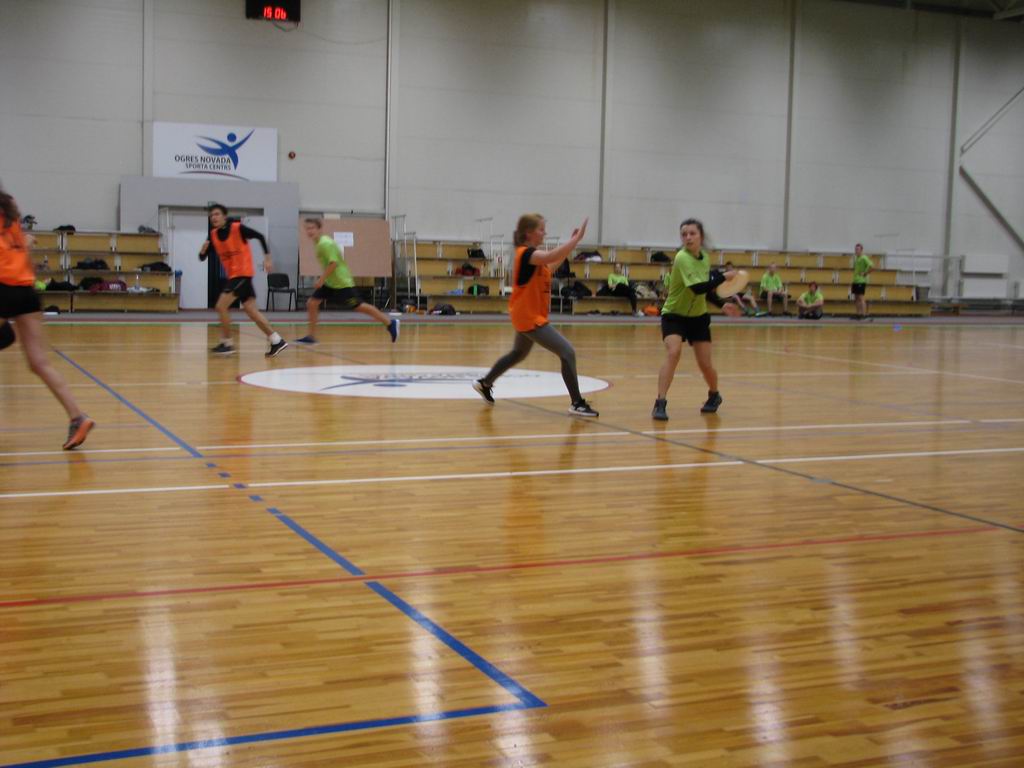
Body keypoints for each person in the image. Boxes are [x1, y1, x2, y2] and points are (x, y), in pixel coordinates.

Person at [474, 214, 598, 417]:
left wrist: (572, 244)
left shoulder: (534, 258)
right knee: (567, 352)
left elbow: (551, 264)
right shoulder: (526, 253)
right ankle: (577, 403)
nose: (544, 233)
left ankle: (485, 383)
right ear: (529, 233)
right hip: (530, 318)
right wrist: (575, 240)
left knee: (518, 354)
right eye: (541, 229)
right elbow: (549, 256)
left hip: (525, 315)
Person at [0, 185, 94, 449]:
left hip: (3, 288)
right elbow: (23, 247)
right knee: (39, 363)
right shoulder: (10, 211)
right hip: (26, 292)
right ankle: (78, 417)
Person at [652, 218, 740, 421]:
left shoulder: (705, 258)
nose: (688, 237)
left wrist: (721, 304)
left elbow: (705, 290)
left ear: (701, 236)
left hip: (698, 317)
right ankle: (660, 402)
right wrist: (723, 277)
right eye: (684, 234)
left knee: (705, 364)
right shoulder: (682, 258)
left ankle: (714, 395)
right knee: (673, 352)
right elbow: (697, 288)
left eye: (692, 233)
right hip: (674, 314)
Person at [200, 204, 287, 356]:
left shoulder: (237, 228)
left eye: (217, 214)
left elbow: (260, 236)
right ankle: (276, 340)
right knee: (252, 311)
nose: (214, 217)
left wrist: (267, 258)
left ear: (224, 216)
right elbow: (202, 257)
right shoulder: (213, 235)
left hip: (242, 274)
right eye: (211, 215)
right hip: (234, 276)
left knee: (221, 306)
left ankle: (227, 344)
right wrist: (202, 251)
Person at [295, 219, 398, 345]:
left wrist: (321, 280)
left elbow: (333, 263)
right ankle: (311, 337)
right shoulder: (318, 243)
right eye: (307, 228)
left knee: (359, 306)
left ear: (319, 229)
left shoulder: (325, 244)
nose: (310, 231)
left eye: (312, 228)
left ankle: (390, 323)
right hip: (330, 282)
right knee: (312, 303)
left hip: (341, 283)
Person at [851, 243, 873, 319]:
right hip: (855, 281)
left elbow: (871, 266)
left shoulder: (864, 257)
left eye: (857, 249)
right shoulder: (857, 258)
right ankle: (858, 314)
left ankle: (864, 315)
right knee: (856, 298)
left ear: (861, 250)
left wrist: (865, 273)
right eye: (855, 249)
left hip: (861, 281)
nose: (856, 251)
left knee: (861, 298)